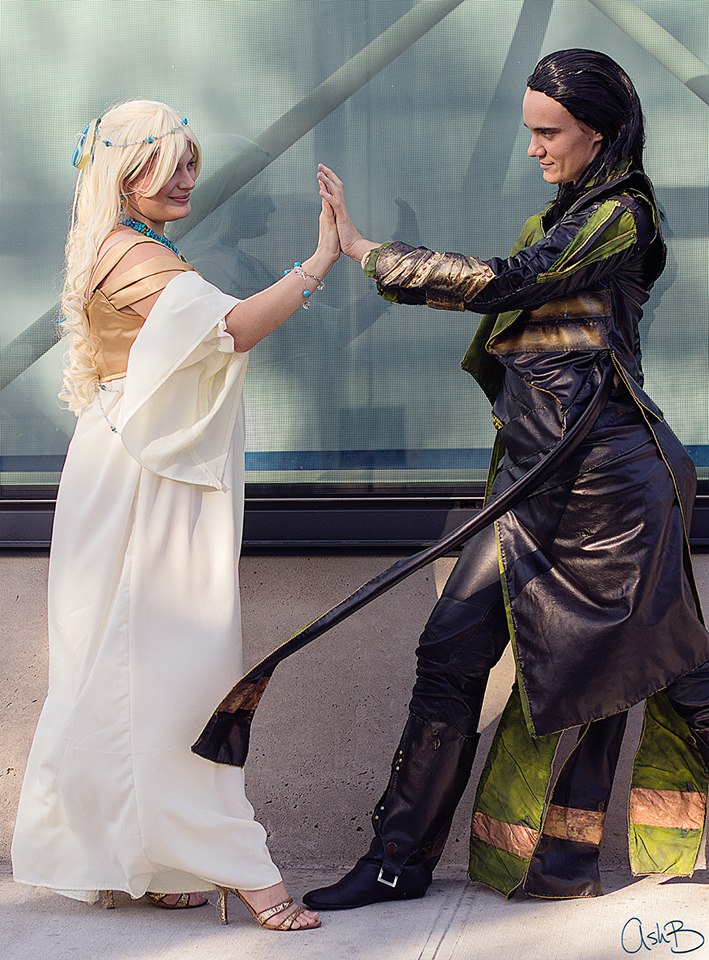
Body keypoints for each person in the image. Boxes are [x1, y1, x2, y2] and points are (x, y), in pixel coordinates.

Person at [305, 49, 709, 909]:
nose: (532, 147)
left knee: (678, 675)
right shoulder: (565, 216)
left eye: (547, 132)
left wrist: (368, 251)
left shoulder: (622, 215)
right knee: (448, 655)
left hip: (614, 493)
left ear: (598, 133)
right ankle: (395, 862)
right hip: (534, 483)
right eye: (529, 130)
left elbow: (509, 283)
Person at [11, 99, 339, 931]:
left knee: (135, 665)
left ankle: (152, 857)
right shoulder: (132, 253)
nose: (189, 177)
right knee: (175, 667)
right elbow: (235, 329)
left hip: (135, 466)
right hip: (144, 477)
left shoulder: (128, 244)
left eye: (192, 161)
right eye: (171, 163)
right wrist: (319, 260)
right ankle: (240, 867)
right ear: (128, 174)